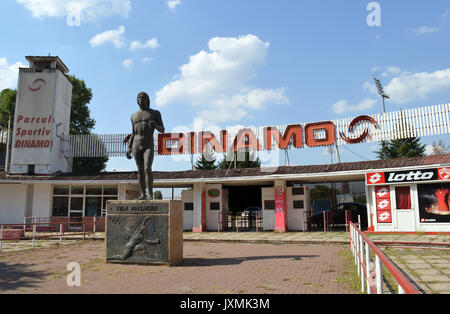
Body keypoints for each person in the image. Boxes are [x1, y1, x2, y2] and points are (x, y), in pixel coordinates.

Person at [126, 92, 165, 200]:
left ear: (147, 100)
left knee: (147, 168)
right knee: (140, 170)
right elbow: (133, 133)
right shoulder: (133, 116)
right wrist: (129, 147)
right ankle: (142, 194)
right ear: (137, 101)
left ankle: (150, 194)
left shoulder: (155, 113)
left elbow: (162, 129)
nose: (141, 99)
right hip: (136, 145)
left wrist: (155, 125)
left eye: (143, 97)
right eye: (139, 97)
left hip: (148, 144)